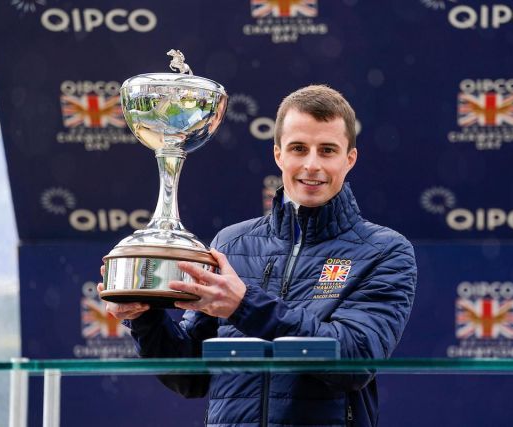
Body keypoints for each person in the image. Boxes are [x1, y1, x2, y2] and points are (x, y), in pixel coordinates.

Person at [98, 85, 417, 427]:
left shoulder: (385, 251)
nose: (311, 165)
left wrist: (244, 305)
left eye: (327, 150)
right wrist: (144, 318)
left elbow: (354, 361)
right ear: (279, 155)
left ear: (349, 158)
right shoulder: (231, 243)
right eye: (298, 149)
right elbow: (191, 376)